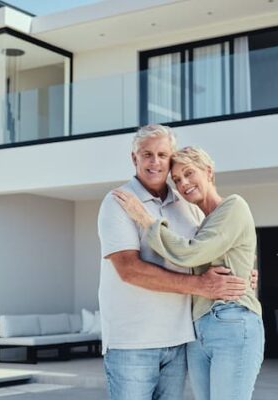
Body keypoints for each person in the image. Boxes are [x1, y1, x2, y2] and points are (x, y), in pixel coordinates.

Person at [97, 125, 250, 400]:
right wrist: (200, 286)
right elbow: (129, 270)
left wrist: (242, 274)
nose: (155, 162)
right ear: (135, 158)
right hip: (133, 343)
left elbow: (202, 255)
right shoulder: (118, 202)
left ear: (171, 159)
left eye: (162, 155)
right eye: (147, 154)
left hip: (180, 341)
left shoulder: (187, 204)